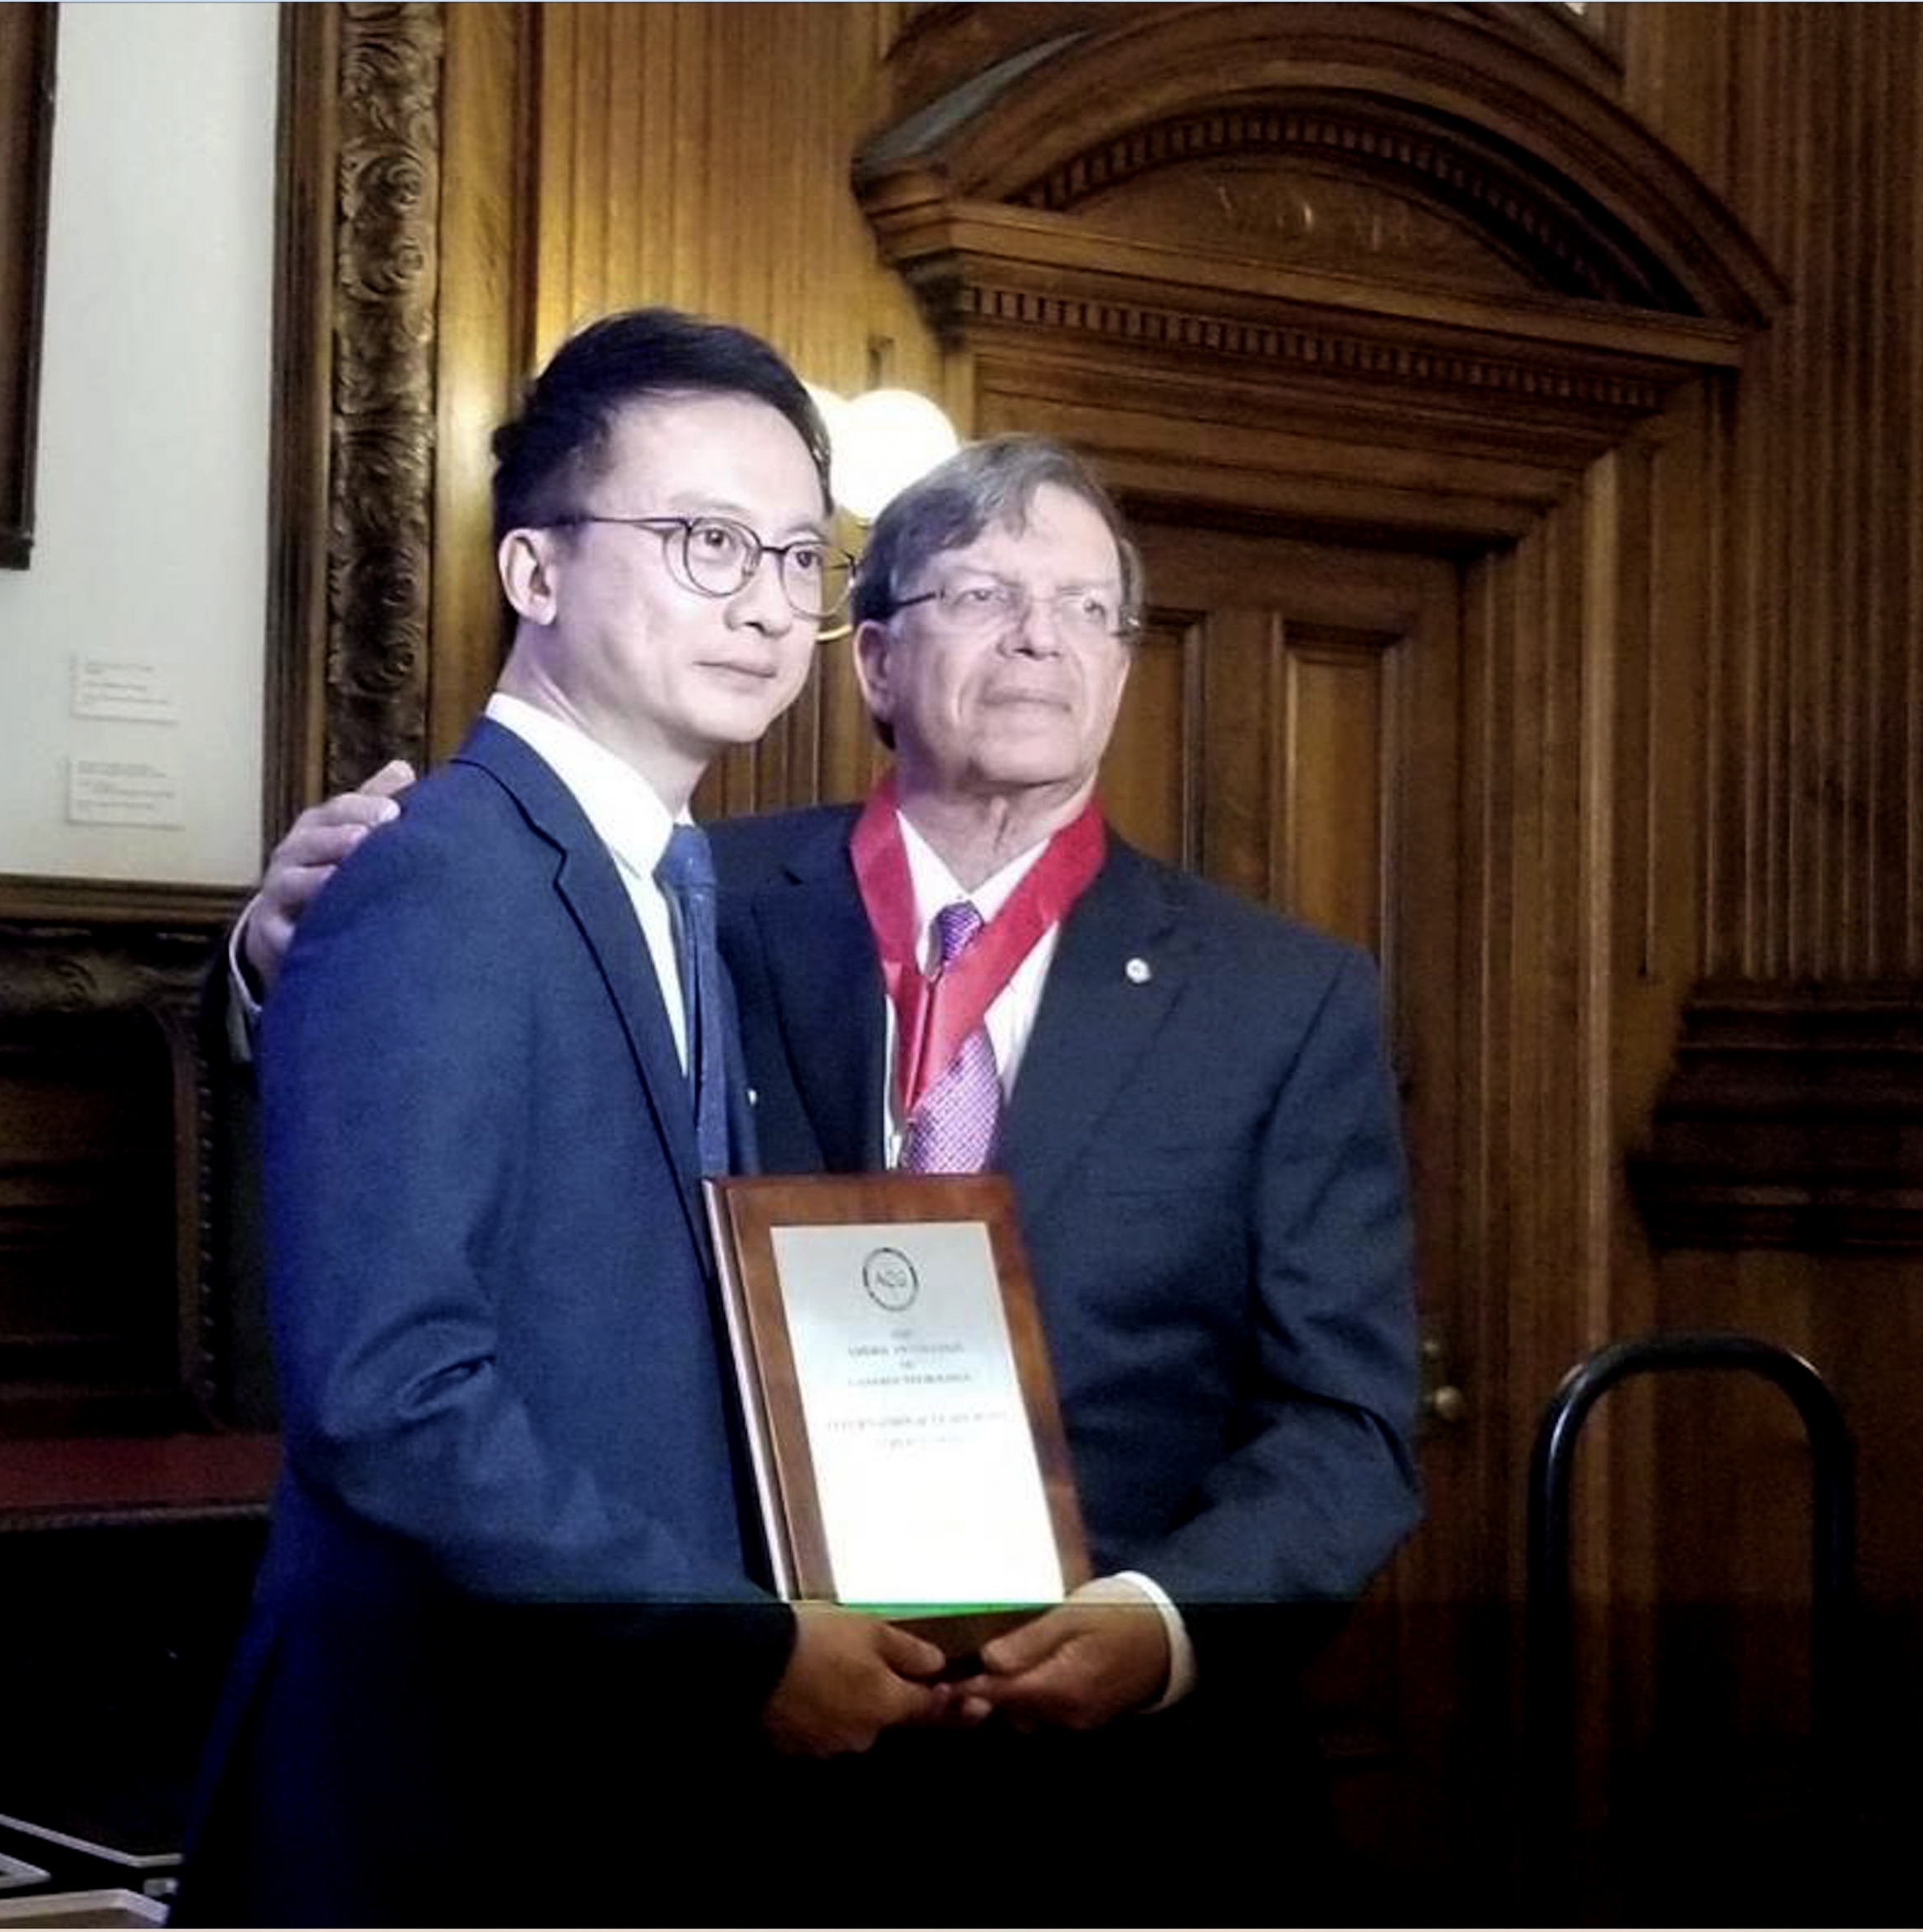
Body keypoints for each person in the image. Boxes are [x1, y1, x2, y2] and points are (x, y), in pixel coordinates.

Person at [232, 433, 1422, 1918]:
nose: (1042, 638)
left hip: (1123, 1805)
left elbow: (1349, 1426)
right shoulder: (672, 897)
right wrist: (281, 957)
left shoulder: (1281, 997)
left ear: (1123, 664)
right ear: (869, 660)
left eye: (1087, 608)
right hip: (718, 1774)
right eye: (985, 596)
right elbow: (429, 1128)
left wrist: (1167, 1620)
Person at [171, 310, 951, 1930]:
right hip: (439, 1791)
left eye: (797, 559)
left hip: (616, 1780)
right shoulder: (444, 879)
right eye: (702, 540)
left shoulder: (680, 887)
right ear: (534, 572)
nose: (759, 601)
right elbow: (391, 1396)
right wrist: (739, 1648)